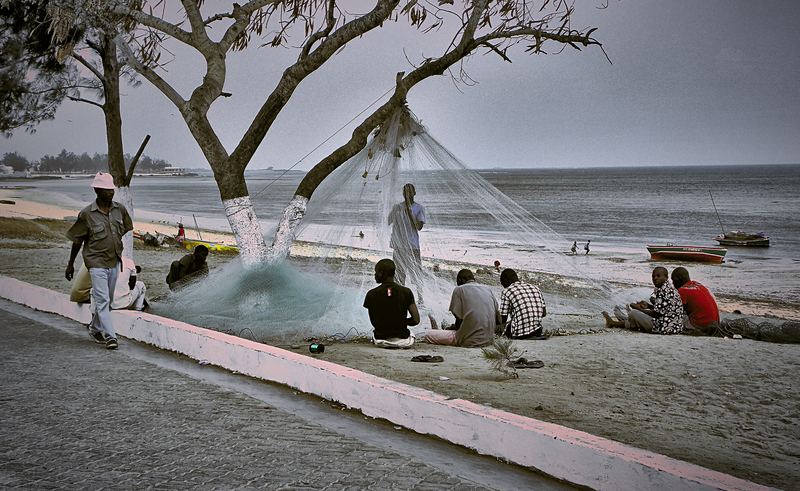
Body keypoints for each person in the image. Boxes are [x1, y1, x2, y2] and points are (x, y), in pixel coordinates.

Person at [65, 172, 133, 350]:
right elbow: (77, 240)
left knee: (107, 300)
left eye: (112, 189)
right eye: (106, 189)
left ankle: (94, 328)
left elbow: (126, 228)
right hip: (95, 262)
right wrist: (70, 264)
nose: (111, 192)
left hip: (114, 261)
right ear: (97, 190)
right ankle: (110, 337)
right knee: (102, 299)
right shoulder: (86, 214)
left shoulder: (120, 209)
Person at [424, 269, 500, 347]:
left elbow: (459, 321)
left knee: (428, 334)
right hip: (488, 340)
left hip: (469, 341)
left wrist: (452, 327)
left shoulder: (459, 289)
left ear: (460, 280)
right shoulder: (487, 289)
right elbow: (499, 320)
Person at [602, 266, 683, 334]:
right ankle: (618, 322)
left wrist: (639, 308)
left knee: (634, 313)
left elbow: (656, 314)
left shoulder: (662, 290)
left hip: (665, 327)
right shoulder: (670, 288)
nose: (655, 278)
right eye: (653, 276)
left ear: (666, 277)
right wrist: (648, 306)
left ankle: (616, 322)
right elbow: (664, 310)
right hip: (676, 327)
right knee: (637, 315)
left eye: (658, 276)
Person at [363, 258, 420, 349]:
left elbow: (374, 322)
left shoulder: (371, 294)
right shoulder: (406, 292)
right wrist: (400, 322)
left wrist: (388, 322)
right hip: (403, 340)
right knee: (411, 335)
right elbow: (416, 320)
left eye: (376, 272)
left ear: (381, 273)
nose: (375, 275)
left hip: (381, 339)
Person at [70, 257, 147, 311]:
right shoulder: (127, 262)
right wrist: (132, 270)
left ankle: (93, 319)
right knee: (140, 286)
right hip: (85, 297)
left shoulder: (95, 259)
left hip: (77, 296)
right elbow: (131, 286)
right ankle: (138, 309)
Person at [387, 183, 425, 287]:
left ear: (414, 193)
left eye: (410, 192)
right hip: (399, 246)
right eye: (405, 192)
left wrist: (410, 215)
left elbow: (419, 227)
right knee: (399, 275)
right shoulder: (398, 207)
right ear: (403, 194)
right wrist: (394, 212)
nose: (408, 195)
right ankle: (399, 294)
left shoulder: (419, 208)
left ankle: (420, 296)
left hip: (413, 246)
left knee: (417, 276)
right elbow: (388, 221)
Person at [499, 268, 547, 339]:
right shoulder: (535, 288)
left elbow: (503, 318)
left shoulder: (507, 291)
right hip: (537, 331)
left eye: (502, 283)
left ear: (505, 281)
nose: (503, 286)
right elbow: (543, 313)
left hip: (519, 334)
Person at [671, 267, 720, 333]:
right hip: (714, 323)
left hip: (700, 326)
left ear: (680, 278)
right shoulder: (699, 285)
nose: (673, 283)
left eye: (673, 280)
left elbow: (676, 310)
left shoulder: (682, 290)